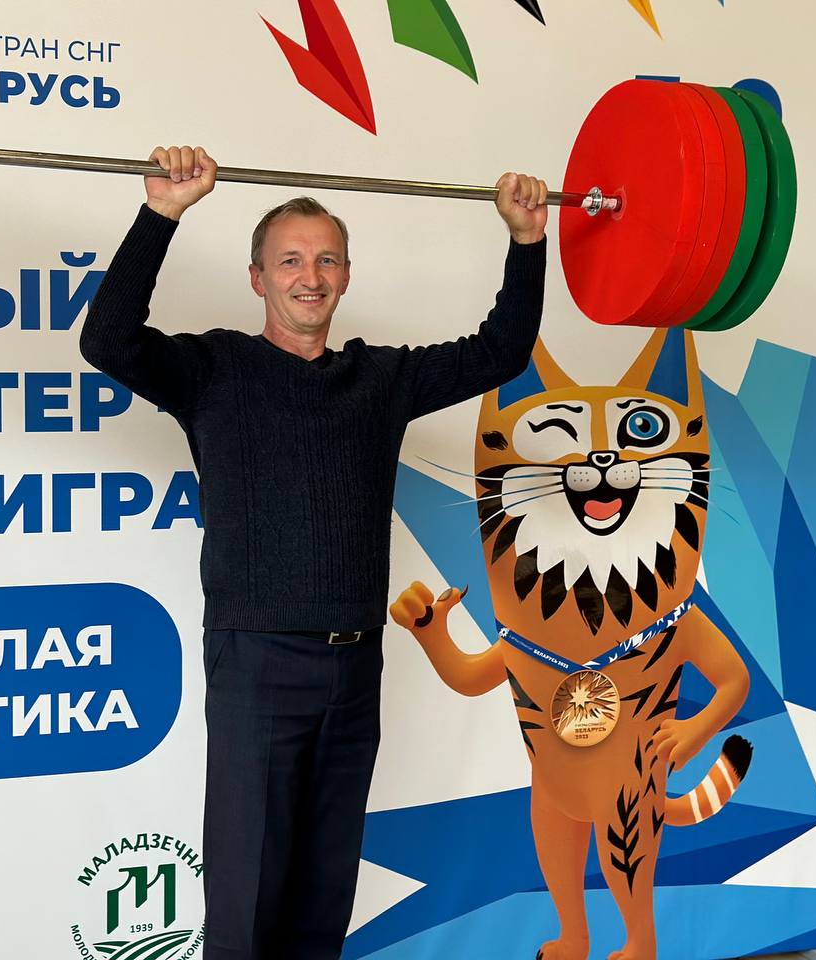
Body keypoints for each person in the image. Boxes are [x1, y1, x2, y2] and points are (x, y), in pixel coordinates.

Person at [80, 144, 548, 960]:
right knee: (248, 905)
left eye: (326, 259)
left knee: (321, 901)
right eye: (290, 260)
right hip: (257, 662)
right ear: (258, 277)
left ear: (347, 275)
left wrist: (527, 238)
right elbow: (109, 341)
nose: (310, 276)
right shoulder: (213, 369)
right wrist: (161, 213)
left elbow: (499, 351)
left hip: (354, 666)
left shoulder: (381, 379)